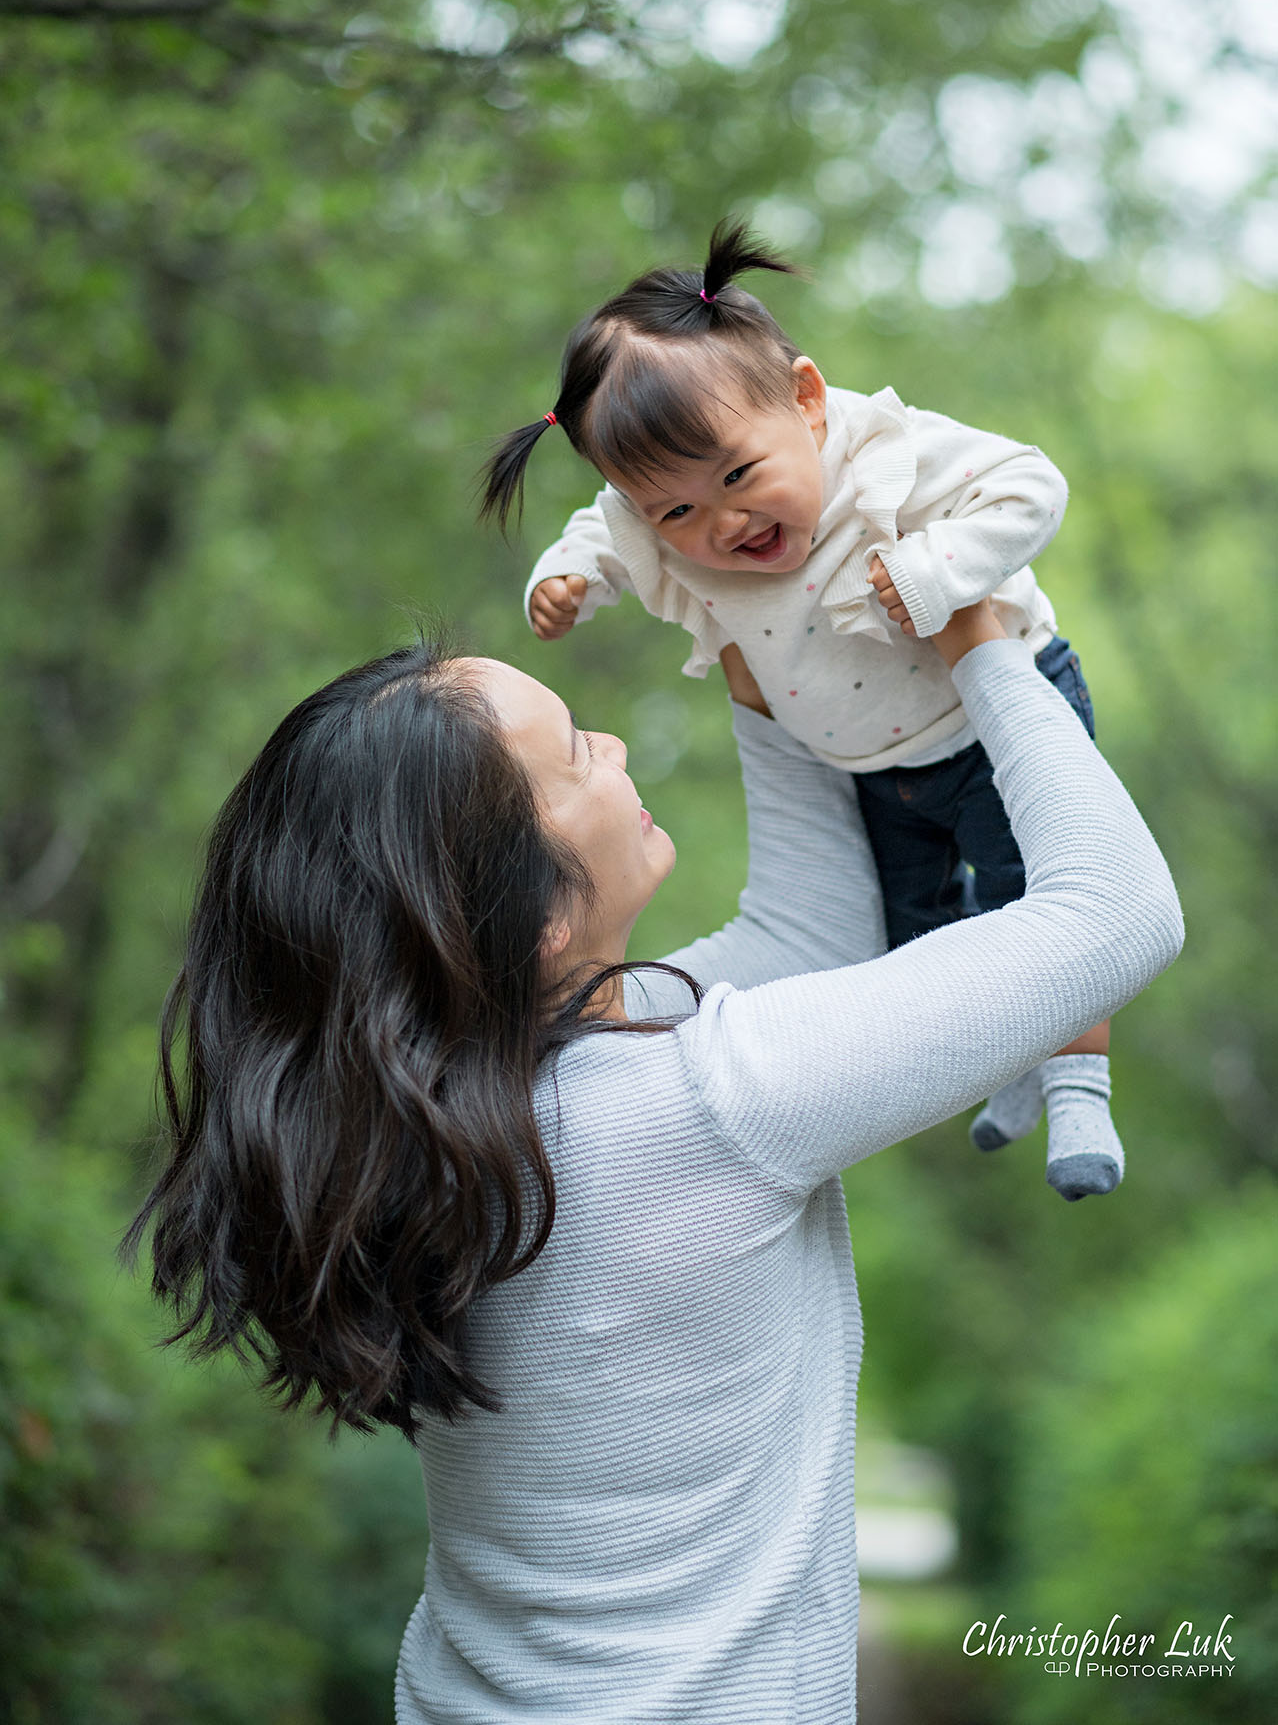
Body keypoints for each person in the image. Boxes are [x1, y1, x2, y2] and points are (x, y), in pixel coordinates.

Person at [123, 603, 1182, 1723]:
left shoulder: (446, 1130)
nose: (618, 748)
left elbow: (816, 935)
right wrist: (986, 641)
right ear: (530, 918)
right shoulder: (706, 1099)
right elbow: (1121, 914)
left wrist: (757, 640)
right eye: (579, 753)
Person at [483, 221, 1119, 1200]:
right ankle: (1008, 1063)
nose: (724, 523)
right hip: (873, 766)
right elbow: (598, 537)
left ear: (809, 402)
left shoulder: (886, 458)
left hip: (992, 725)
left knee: (1032, 899)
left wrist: (935, 571)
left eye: (739, 476)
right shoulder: (641, 521)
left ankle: (1079, 1085)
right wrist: (560, 580)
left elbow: (1032, 484)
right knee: (919, 938)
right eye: (677, 513)